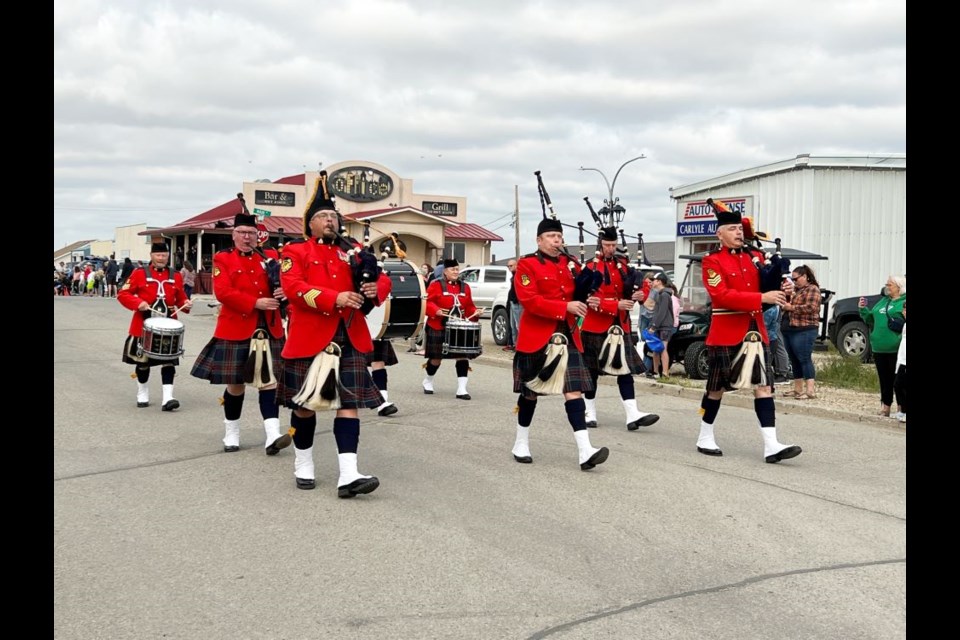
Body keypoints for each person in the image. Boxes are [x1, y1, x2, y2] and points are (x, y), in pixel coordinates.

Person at [277, 171, 383, 497]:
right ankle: (303, 463)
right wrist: (332, 298)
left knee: (347, 404)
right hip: (311, 336)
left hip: (348, 335)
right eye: (323, 216)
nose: (330, 221)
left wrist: (371, 288)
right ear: (310, 223)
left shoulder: (351, 252)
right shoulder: (296, 252)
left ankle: (348, 475)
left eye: (333, 216)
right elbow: (293, 289)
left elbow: (381, 281)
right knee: (306, 407)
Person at [694, 198, 801, 464]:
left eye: (740, 229)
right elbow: (721, 296)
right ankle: (704, 434)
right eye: (732, 229)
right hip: (725, 331)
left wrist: (783, 289)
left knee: (764, 387)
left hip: (755, 330)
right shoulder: (711, 262)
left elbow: (768, 285)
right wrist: (761, 298)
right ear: (720, 234)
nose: (739, 233)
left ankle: (771, 444)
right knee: (716, 389)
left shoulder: (755, 258)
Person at [509, 217, 609, 471]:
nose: (556, 240)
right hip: (537, 337)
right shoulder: (527, 265)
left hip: (567, 335)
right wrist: (565, 307)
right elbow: (529, 300)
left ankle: (585, 450)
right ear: (539, 240)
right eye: (551, 236)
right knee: (530, 394)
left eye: (559, 236)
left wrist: (591, 299)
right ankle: (521, 442)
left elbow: (578, 292)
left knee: (573, 391)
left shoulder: (570, 264)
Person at [190, 209, 291, 455]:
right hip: (236, 327)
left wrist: (283, 292)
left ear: (258, 235)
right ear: (233, 235)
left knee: (269, 382)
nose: (247, 237)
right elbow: (222, 293)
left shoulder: (269, 256)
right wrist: (255, 303)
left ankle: (272, 435)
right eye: (242, 233)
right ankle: (232, 432)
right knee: (236, 384)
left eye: (252, 233)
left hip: (268, 326)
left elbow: (286, 282)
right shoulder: (223, 259)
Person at [578, 227, 659, 430]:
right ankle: (589, 412)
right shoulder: (589, 267)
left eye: (613, 245)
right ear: (600, 244)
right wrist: (616, 305)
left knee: (625, 371)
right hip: (595, 327)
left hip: (620, 326)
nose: (611, 249)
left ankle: (632, 414)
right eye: (607, 245)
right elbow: (589, 299)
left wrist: (641, 294)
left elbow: (638, 286)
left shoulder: (623, 266)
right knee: (592, 371)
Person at [117, 242, 192, 411]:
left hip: (169, 326)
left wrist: (186, 304)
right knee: (142, 363)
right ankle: (142, 393)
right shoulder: (139, 273)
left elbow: (180, 298)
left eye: (164, 255)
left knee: (169, 364)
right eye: (158, 255)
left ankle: (168, 398)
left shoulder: (176, 275)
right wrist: (139, 303)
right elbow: (123, 294)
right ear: (151, 255)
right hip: (143, 325)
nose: (161, 258)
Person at [421, 258, 480, 399]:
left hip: (458, 328)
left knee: (462, 356)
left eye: (457, 269)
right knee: (436, 358)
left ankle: (461, 389)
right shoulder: (436, 285)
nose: (456, 272)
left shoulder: (465, 287)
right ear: (445, 272)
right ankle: (428, 380)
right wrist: (436, 311)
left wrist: (475, 312)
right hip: (438, 325)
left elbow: (469, 305)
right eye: (452, 269)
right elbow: (427, 302)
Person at [859, 275, 906, 417]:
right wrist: (863, 310)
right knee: (884, 378)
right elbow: (870, 318)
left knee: (898, 380)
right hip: (879, 346)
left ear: (899, 287)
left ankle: (901, 408)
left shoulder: (903, 302)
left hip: (896, 347)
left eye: (890, 284)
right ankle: (885, 406)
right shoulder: (883, 301)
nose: (887, 287)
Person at [780, 265, 822, 399]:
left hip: (804, 328)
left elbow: (811, 307)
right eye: (792, 279)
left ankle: (810, 390)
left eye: (796, 279)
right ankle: (798, 388)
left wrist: (790, 307)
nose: (794, 281)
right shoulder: (795, 291)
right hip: (790, 328)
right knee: (794, 359)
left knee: (804, 358)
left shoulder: (813, 289)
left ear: (805, 276)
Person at [647, 273, 675, 378]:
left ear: (659, 281)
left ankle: (665, 372)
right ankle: (656, 372)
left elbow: (662, 312)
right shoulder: (661, 294)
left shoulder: (664, 295)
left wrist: (654, 326)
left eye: (654, 280)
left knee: (662, 349)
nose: (652, 282)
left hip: (664, 326)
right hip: (659, 326)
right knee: (656, 349)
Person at [762, 304, 791, 383]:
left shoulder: (770, 308)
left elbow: (765, 324)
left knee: (779, 347)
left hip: (770, 334)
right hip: (773, 332)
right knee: (779, 346)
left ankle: (782, 372)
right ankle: (781, 372)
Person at [502, 258, 521, 351]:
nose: (509, 267)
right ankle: (514, 344)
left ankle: (519, 345)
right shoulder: (513, 276)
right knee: (513, 325)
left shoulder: (520, 275)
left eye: (511, 265)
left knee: (518, 325)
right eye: (508, 266)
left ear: (516, 265)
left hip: (518, 303)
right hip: (512, 302)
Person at [893, 300, 906, 423]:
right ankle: (902, 410)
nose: (904, 312)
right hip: (902, 359)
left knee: (901, 385)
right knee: (898, 385)